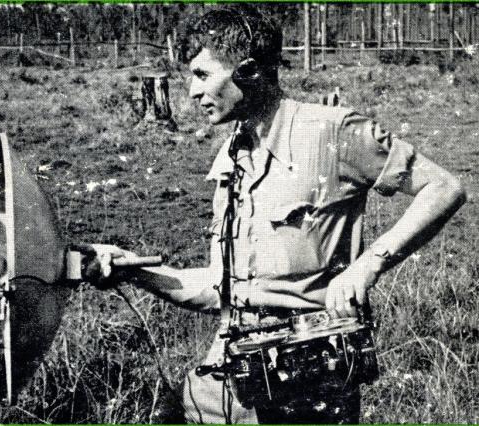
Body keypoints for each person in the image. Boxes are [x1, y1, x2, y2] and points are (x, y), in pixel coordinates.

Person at [82, 8, 467, 424]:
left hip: (306, 376)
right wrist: (133, 271)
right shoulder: (233, 155)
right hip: (230, 374)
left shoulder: (331, 133)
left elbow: (444, 187)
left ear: (247, 71)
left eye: (202, 75)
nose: (191, 92)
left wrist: (366, 267)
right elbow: (219, 288)